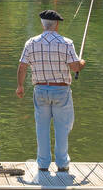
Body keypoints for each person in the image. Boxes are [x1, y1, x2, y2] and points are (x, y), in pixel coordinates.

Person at [16, 9, 85, 173]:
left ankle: (43, 163)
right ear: (57, 25)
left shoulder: (30, 43)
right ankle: (62, 163)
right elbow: (75, 67)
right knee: (62, 127)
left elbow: (22, 67)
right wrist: (82, 62)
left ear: (42, 24)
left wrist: (20, 86)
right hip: (61, 90)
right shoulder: (66, 43)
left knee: (42, 128)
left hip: (40, 89)